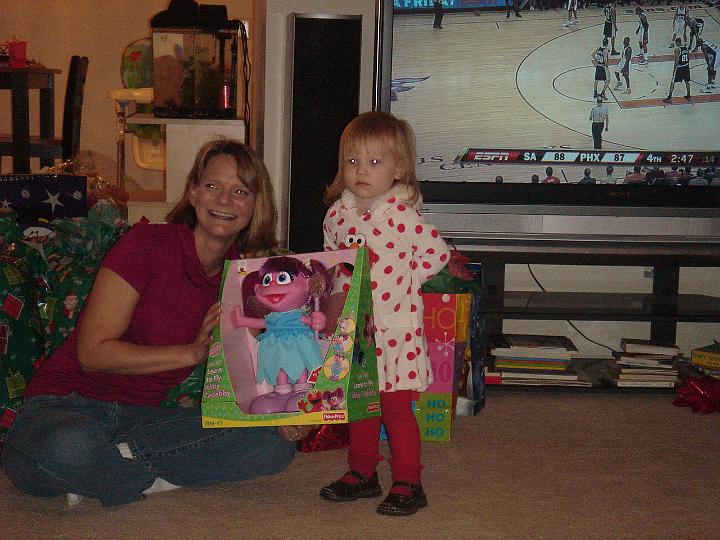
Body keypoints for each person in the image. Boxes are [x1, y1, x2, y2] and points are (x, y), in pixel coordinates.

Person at [0, 139, 306, 507]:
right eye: (212, 186)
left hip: (145, 420)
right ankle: (133, 472)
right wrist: (191, 353)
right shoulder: (146, 244)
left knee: (272, 444)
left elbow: (248, 374)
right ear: (193, 193)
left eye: (240, 191)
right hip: (65, 405)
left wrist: (287, 411)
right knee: (66, 445)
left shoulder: (246, 279)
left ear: (256, 204)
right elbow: (93, 354)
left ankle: (110, 471)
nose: (224, 200)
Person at [320, 111, 450, 517]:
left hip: (396, 332)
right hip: (355, 330)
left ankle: (409, 481)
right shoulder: (337, 214)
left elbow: (437, 254)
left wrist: (405, 282)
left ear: (399, 168)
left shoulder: (402, 215)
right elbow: (332, 259)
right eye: (353, 161)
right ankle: (362, 472)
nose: (362, 171)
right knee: (360, 403)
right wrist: (333, 296)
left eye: (375, 162)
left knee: (396, 410)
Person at [663, 37, 691, 104]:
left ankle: (669, 98)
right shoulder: (686, 48)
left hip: (680, 68)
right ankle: (689, 96)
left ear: (677, 42)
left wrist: (674, 70)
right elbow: (688, 58)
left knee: (672, 82)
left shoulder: (677, 49)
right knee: (687, 81)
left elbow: (676, 60)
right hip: (686, 66)